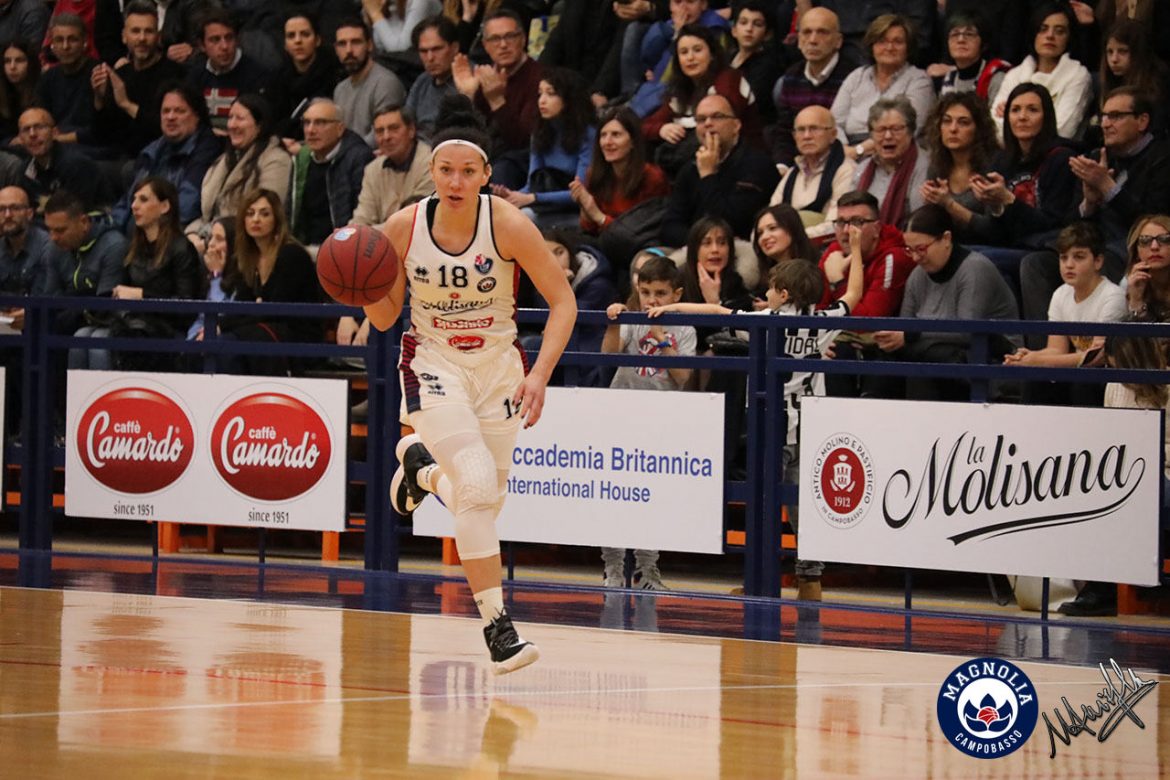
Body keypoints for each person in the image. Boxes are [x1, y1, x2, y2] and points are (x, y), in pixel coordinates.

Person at [363, 103, 577, 675]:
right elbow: (383, 319)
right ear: (431, 173)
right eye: (445, 170)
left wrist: (539, 375)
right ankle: (498, 629)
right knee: (477, 485)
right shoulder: (403, 227)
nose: (455, 182)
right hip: (434, 364)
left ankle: (424, 473)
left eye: (467, 171)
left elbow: (564, 302)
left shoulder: (507, 223)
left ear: (485, 175)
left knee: (484, 502)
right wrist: (361, 284)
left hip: (499, 369)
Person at [646, 221, 866, 601]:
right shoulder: (824, 322)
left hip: (770, 425)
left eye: (770, 289)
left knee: (763, 504)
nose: (765, 295)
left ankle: (760, 578)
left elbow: (715, 310)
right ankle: (810, 580)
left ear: (783, 293)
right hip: (810, 425)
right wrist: (858, 250)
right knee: (803, 505)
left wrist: (671, 308)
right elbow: (855, 293)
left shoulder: (764, 323)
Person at [599, 254, 695, 590]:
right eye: (646, 293)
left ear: (677, 295)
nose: (652, 300)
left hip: (659, 421)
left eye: (661, 293)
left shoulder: (685, 329)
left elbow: (682, 376)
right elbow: (608, 354)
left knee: (650, 496)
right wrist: (614, 322)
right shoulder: (632, 319)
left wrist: (661, 337)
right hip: (621, 414)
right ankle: (612, 568)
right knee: (614, 494)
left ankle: (647, 570)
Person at [1058, 331, 1169, 617]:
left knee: (1138, 493)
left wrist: (1145, 461)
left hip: (1164, 470)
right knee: (1085, 489)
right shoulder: (1114, 385)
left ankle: (1118, 585)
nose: (1117, 373)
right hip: (1129, 469)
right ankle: (1100, 587)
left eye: (1122, 366)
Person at [871, 204, 1019, 401]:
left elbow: (967, 330)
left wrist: (912, 335)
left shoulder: (975, 269)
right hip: (936, 353)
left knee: (930, 357)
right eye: (909, 250)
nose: (915, 257)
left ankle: (923, 417)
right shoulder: (917, 275)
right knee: (886, 353)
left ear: (946, 239)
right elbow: (906, 326)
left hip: (994, 358)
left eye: (921, 249)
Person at [1003, 222, 1126, 405]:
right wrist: (1027, 357)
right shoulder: (1061, 294)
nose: (1069, 265)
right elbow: (1056, 349)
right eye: (1063, 258)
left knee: (1082, 382)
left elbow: (1097, 357)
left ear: (1098, 261)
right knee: (1036, 379)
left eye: (1079, 257)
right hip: (1078, 370)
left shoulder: (1113, 296)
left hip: (1107, 375)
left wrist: (1038, 360)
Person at [97, 176, 201, 371]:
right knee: (85, 336)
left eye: (143, 200)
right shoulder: (134, 247)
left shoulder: (181, 248)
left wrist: (141, 295)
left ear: (164, 206)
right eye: (134, 200)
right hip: (134, 323)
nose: (134, 206)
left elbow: (186, 306)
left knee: (99, 345)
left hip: (166, 328)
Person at [220, 188, 323, 376]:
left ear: (277, 219)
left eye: (264, 214)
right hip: (261, 331)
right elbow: (243, 307)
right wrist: (220, 325)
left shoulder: (291, 254)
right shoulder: (247, 258)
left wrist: (229, 322)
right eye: (250, 213)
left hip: (297, 334)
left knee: (234, 343)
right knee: (218, 343)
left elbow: (275, 310)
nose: (256, 219)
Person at [658, 93, 778, 247]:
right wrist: (700, 244)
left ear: (736, 126)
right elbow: (670, 226)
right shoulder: (690, 168)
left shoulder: (757, 165)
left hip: (743, 248)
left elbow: (732, 224)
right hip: (695, 248)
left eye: (717, 117)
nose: (708, 123)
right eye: (701, 119)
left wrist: (708, 176)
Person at [641, 24, 761, 177]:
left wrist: (682, 126)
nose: (690, 58)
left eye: (697, 50)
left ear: (712, 54)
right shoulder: (681, 90)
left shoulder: (728, 79)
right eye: (684, 52)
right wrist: (661, 129)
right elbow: (644, 126)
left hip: (741, 162)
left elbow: (719, 127)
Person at [490, 67, 595, 229]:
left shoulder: (588, 134)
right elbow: (532, 185)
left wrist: (533, 198)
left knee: (520, 220)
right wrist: (512, 195)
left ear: (569, 99)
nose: (542, 101)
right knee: (499, 216)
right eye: (540, 94)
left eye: (550, 94)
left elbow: (581, 194)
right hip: (545, 209)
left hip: (578, 212)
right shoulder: (540, 132)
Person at [451, 9, 543, 189]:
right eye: (495, 39)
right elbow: (469, 134)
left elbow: (522, 142)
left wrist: (497, 101)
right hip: (488, 157)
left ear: (523, 39)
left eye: (510, 36)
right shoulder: (484, 75)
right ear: (485, 45)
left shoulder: (539, 77)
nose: (503, 45)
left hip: (522, 164)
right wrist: (467, 96)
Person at [186, 94, 291, 242]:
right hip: (213, 235)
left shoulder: (276, 161)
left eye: (240, 119)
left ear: (259, 126)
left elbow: (263, 218)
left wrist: (210, 238)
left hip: (247, 243)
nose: (232, 125)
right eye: (230, 118)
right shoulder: (223, 160)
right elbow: (206, 216)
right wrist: (192, 234)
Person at [831, 14, 934, 162]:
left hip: (897, 155)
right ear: (872, 46)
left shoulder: (919, 80)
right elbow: (834, 122)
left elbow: (909, 129)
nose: (889, 47)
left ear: (908, 48)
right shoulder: (856, 76)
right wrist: (844, 150)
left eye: (897, 42)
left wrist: (859, 151)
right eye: (882, 41)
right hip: (848, 152)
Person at [90, 1, 186, 158]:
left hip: (158, 157)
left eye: (148, 31)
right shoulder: (119, 75)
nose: (142, 38)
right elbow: (101, 135)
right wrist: (99, 99)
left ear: (158, 37)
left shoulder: (175, 75)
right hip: (117, 155)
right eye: (135, 31)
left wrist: (127, 105)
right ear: (124, 37)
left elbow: (166, 129)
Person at [990, 3, 1092, 142]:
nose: (1050, 36)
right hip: (1010, 153)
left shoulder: (1077, 75)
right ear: (1033, 34)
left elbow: (1063, 131)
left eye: (1059, 31)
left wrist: (1011, 118)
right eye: (1043, 29)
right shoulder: (1015, 74)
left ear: (1069, 38)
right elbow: (993, 128)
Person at [771, 6, 854, 167]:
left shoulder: (852, 77)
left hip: (840, 163)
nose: (813, 40)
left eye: (822, 32)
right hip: (800, 163)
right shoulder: (791, 76)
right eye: (807, 32)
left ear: (838, 41)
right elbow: (785, 131)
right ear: (798, 39)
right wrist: (782, 166)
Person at [286, 98, 373, 247]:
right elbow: (291, 211)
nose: (310, 130)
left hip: (343, 246)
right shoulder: (302, 158)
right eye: (307, 122)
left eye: (320, 123)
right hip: (305, 245)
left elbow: (361, 217)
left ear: (340, 128)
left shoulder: (358, 158)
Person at [571, 106, 670, 237]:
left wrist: (598, 215)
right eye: (603, 135)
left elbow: (638, 235)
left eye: (616, 135)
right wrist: (585, 207)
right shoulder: (594, 174)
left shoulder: (652, 178)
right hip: (601, 241)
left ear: (633, 141)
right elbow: (589, 229)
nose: (607, 142)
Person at [918, 91, 1000, 245]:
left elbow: (994, 231)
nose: (953, 129)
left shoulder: (994, 166)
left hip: (987, 249)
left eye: (963, 122)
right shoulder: (937, 165)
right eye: (947, 121)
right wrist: (931, 205)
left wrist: (949, 205)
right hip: (947, 247)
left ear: (979, 129)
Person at [770, 104, 853, 240]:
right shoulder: (792, 173)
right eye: (801, 130)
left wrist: (793, 238)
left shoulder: (846, 170)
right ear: (794, 136)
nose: (807, 136)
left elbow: (837, 225)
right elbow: (770, 216)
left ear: (833, 135)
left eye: (814, 128)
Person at [185, 9, 271, 133]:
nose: (224, 46)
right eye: (215, 40)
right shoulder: (195, 77)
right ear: (202, 45)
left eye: (229, 38)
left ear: (237, 40)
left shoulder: (258, 76)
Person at [351, 104, 435, 228]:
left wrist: (369, 233)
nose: (386, 137)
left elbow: (412, 222)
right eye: (380, 131)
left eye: (394, 128)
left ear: (411, 131)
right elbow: (361, 219)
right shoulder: (372, 169)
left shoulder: (432, 164)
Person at [851, 96, 928, 229]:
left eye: (896, 129)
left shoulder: (924, 167)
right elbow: (849, 213)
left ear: (911, 132)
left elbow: (921, 224)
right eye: (880, 130)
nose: (888, 136)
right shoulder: (863, 169)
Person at [332, 18, 406, 147]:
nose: (349, 50)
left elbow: (381, 136)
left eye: (356, 42)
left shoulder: (385, 83)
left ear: (370, 45)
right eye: (342, 44)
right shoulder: (340, 89)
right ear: (336, 49)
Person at [17, 106, 108, 211]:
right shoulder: (25, 170)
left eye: (39, 127)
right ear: (20, 139)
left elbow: (76, 212)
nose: (32, 134)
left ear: (55, 133)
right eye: (26, 130)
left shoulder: (76, 164)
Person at [268, 10, 341, 140]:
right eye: (291, 36)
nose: (298, 41)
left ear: (317, 40)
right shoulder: (277, 79)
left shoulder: (335, 75)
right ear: (285, 44)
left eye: (305, 34)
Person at [36, 14, 100, 150]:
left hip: (91, 147)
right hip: (54, 144)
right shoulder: (48, 78)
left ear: (85, 42)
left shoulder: (98, 74)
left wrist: (62, 138)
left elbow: (104, 130)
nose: (65, 46)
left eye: (72, 39)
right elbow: (42, 117)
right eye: (59, 40)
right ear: (52, 45)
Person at [927, 11, 1010, 103]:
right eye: (955, 34)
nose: (961, 40)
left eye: (969, 34)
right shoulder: (948, 79)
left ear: (984, 44)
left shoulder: (995, 78)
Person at [405, 14, 459, 140]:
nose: (430, 58)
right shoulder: (422, 81)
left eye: (437, 49)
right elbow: (406, 123)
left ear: (455, 48)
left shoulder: (471, 79)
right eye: (423, 51)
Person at [749, 203, 816, 298]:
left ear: (792, 228)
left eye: (772, 228)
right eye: (760, 233)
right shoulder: (763, 284)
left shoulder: (817, 270)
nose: (764, 237)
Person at [188, 216, 236, 342]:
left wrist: (216, 275)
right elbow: (200, 319)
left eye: (219, 239)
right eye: (211, 237)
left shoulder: (243, 278)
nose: (211, 244)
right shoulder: (203, 268)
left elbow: (218, 314)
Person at [1122, 213, 1170, 322]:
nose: (1154, 247)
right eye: (1145, 240)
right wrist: (1136, 301)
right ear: (1136, 251)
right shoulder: (1130, 282)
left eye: (1165, 239)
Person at [363, 0, 443, 63]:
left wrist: (375, 14)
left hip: (418, 67)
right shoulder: (390, 3)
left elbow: (401, 52)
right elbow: (379, 46)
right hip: (393, 66)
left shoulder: (421, 2)